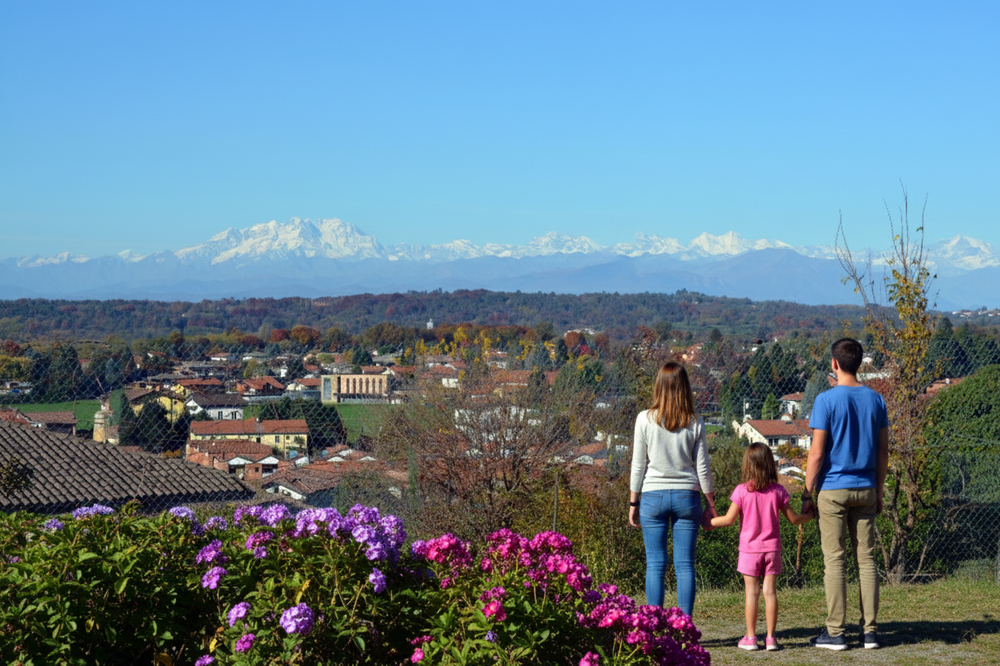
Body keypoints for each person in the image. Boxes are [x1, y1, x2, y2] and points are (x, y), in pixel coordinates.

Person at [803, 338, 889, 650]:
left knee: (835, 559)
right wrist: (878, 491)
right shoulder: (877, 400)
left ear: (834, 364)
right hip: (866, 487)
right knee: (866, 559)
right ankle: (870, 632)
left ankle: (836, 632)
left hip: (833, 489)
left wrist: (807, 493)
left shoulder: (825, 400)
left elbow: (816, 453)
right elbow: (883, 452)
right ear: (860, 363)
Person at [628, 362, 716, 617]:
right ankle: (685, 627)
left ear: (658, 386)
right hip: (687, 496)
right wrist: (710, 504)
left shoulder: (644, 419)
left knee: (655, 565)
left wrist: (633, 502)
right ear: (685, 387)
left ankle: (654, 626)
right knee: (685, 566)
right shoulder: (695, 421)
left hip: (652, 496)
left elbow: (638, 465)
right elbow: (703, 468)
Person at [710, 442, 813, 651]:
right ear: (769, 464)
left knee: (752, 593)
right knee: (770, 592)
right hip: (772, 549)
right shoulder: (778, 491)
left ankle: (750, 638)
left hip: (749, 550)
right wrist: (810, 515)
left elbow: (728, 519)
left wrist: (707, 522)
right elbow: (794, 519)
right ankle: (771, 639)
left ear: (747, 465)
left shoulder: (741, 491)